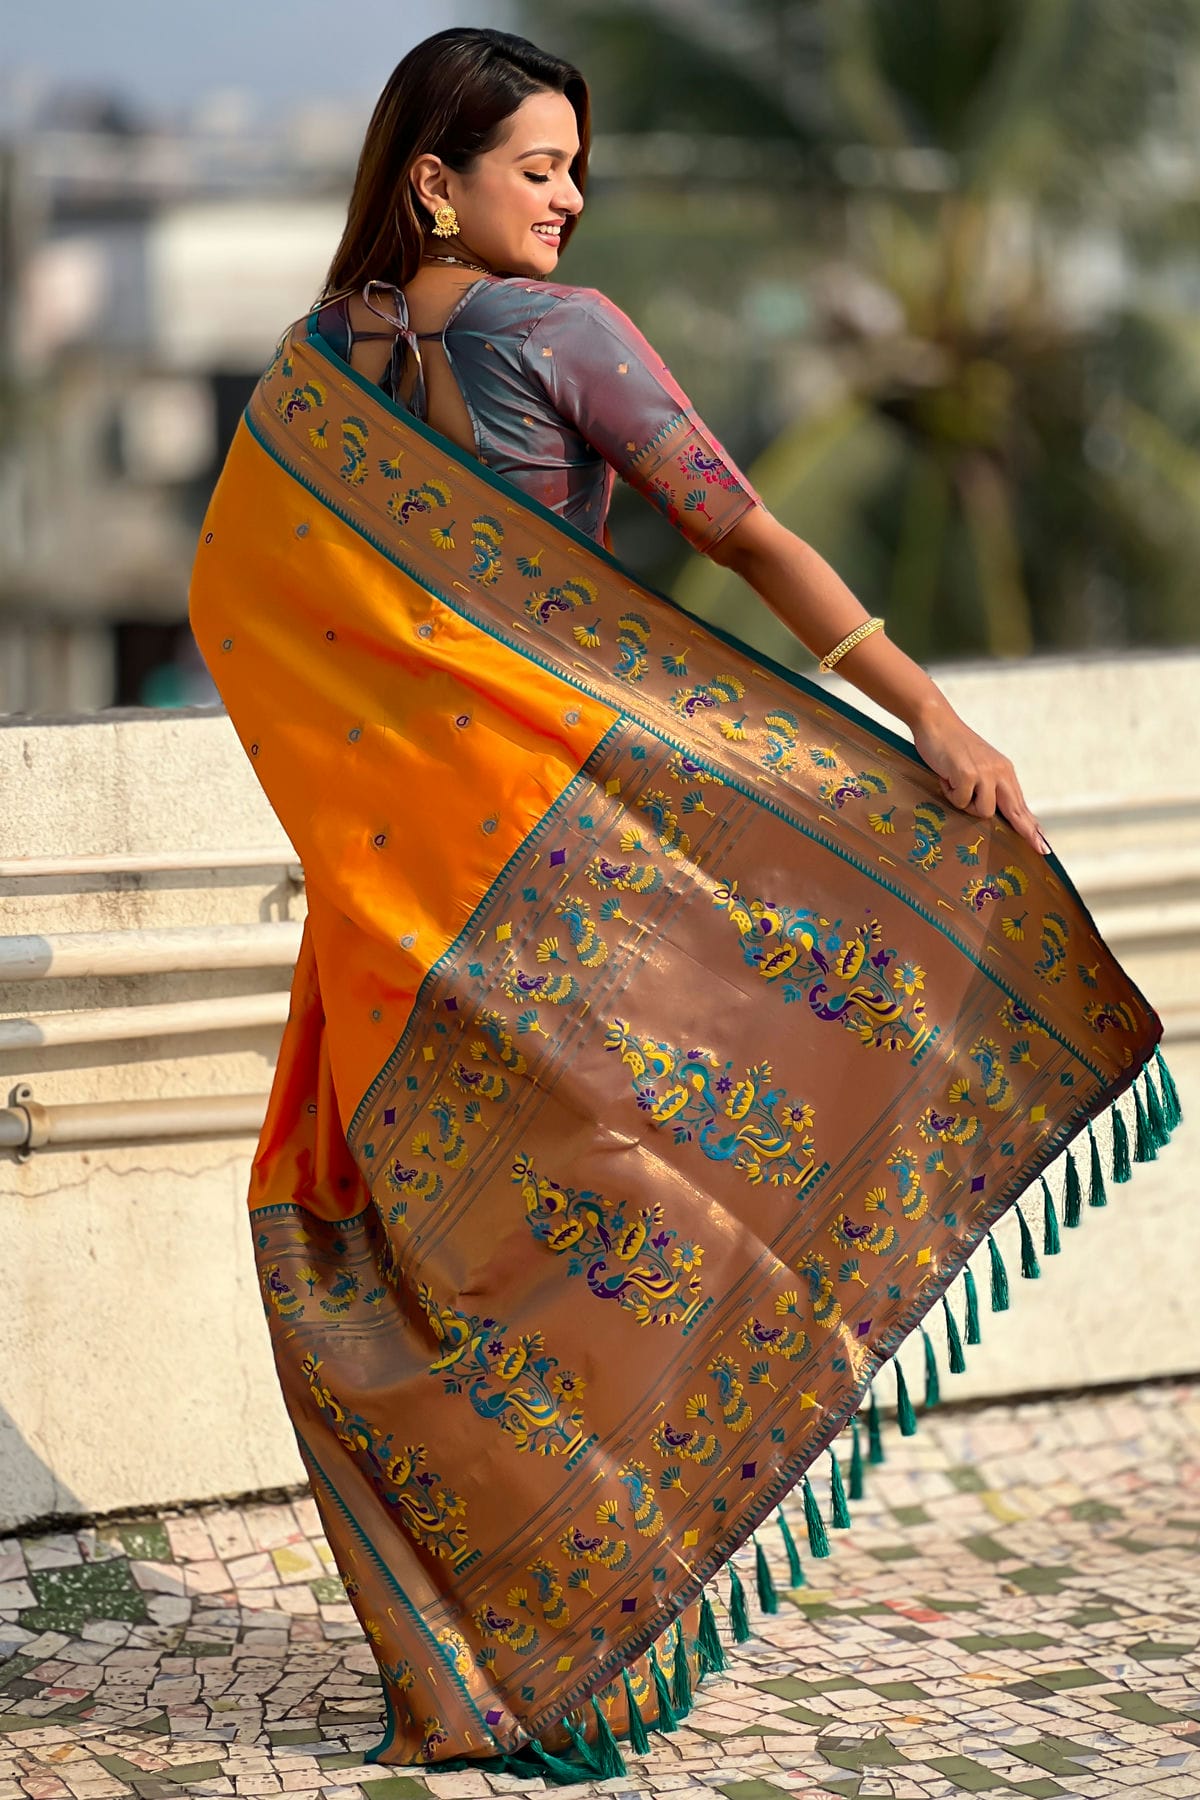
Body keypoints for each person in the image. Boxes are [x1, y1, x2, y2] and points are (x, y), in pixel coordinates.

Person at [188, 26, 1177, 1785]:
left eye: (579, 167)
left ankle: (493, 1663)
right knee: (628, 1243)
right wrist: (925, 712)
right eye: (540, 166)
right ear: (438, 179)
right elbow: (745, 538)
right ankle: (556, 1643)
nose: (573, 196)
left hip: (399, 925)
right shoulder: (566, 338)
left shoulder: (304, 383)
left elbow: (235, 611)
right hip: (571, 893)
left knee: (423, 1270)